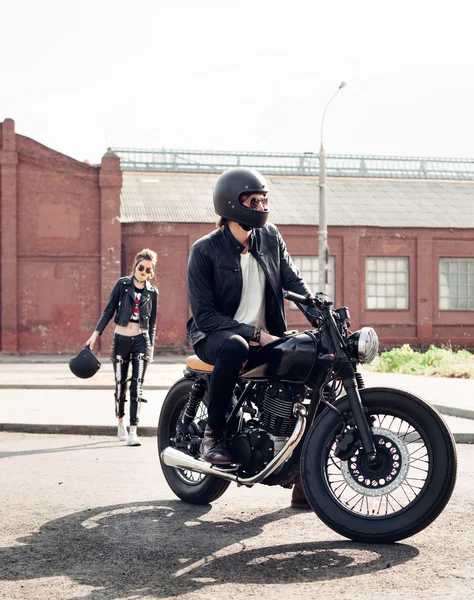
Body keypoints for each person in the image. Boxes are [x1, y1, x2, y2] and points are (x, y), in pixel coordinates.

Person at [186, 167, 318, 509]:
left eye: (264, 199)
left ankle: (304, 473)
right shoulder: (205, 251)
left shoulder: (270, 237)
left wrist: (321, 313)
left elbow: (293, 282)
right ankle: (212, 437)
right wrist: (253, 333)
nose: (261, 205)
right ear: (232, 204)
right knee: (235, 345)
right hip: (215, 335)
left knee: (316, 359)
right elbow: (205, 315)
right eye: (253, 200)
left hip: (266, 333)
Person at [86, 249, 159, 447]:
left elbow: (152, 323)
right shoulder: (122, 285)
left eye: (147, 270)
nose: (143, 272)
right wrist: (95, 334)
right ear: (135, 266)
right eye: (141, 267)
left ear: (151, 272)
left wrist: (150, 351)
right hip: (121, 340)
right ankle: (121, 423)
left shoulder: (152, 292)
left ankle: (133, 431)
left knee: (137, 386)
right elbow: (109, 310)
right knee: (121, 384)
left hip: (141, 341)